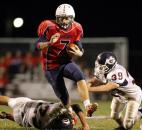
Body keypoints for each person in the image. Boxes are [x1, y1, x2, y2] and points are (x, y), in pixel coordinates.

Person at [34, 3, 97, 117]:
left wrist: (80, 52)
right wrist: (49, 43)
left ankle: (87, 106)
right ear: (56, 18)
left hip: (66, 63)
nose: (63, 20)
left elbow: (78, 43)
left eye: (67, 17)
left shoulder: (76, 28)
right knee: (63, 95)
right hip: (51, 66)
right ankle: (70, 114)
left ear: (72, 18)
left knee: (79, 75)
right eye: (61, 18)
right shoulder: (49, 26)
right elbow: (36, 46)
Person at [87, 51, 142, 130]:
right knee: (114, 116)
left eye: (102, 66)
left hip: (132, 96)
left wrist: (88, 89)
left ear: (110, 65)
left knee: (128, 125)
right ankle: (123, 127)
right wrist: (85, 84)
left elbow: (107, 88)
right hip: (120, 95)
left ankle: (140, 112)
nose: (99, 67)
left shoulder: (117, 72)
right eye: (99, 64)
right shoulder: (105, 70)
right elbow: (96, 80)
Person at [0, 95, 89, 130]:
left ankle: (6, 115)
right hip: (21, 118)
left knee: (9, 100)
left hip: (27, 104)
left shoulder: (57, 111)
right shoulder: (53, 123)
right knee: (27, 121)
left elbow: (74, 105)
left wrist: (85, 125)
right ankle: (6, 115)